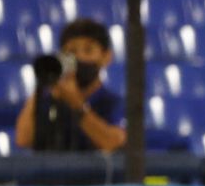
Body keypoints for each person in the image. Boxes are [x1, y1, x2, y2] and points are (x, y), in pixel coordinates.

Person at [14, 17, 126, 152]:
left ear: (106, 57)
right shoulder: (50, 100)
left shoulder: (114, 104)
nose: (80, 58)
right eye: (72, 52)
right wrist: (46, 82)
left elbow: (115, 143)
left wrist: (77, 105)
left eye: (88, 50)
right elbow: (23, 139)